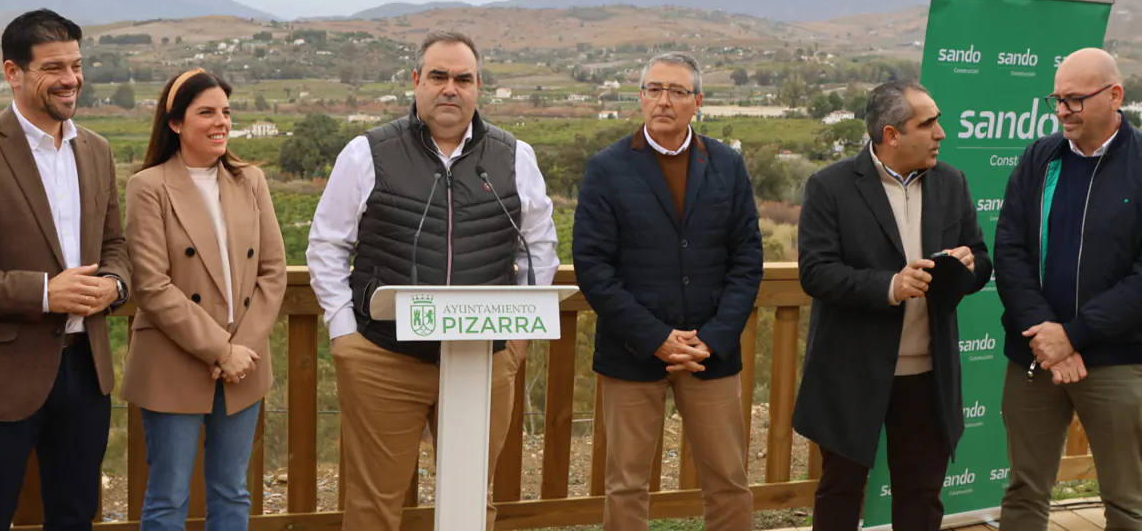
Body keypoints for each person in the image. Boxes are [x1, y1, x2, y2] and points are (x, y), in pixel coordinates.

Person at [306, 30, 560, 531]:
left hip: (482, 358)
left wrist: (519, 338)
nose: (451, 88)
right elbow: (327, 245)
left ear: (478, 87)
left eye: (463, 78)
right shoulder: (366, 153)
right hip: (384, 357)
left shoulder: (515, 157)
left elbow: (540, 246)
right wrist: (344, 334)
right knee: (374, 503)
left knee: (470, 500)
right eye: (439, 76)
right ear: (417, 82)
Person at [0, 9, 131, 530]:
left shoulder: (97, 151)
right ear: (13, 72)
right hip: (0, 376)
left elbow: (117, 245)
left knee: (74, 516)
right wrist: (46, 293)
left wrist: (114, 285)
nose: (70, 79)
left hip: (86, 373)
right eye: (53, 68)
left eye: (76, 64)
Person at [573, 52, 763, 531]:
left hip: (710, 355)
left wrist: (714, 338)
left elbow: (747, 260)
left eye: (677, 91)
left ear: (697, 102)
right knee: (626, 485)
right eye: (654, 89)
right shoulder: (606, 168)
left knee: (728, 480)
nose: (664, 100)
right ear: (640, 98)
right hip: (631, 353)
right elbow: (594, 268)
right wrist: (656, 337)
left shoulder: (727, 165)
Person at [793, 81, 991, 531]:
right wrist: (890, 286)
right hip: (851, 370)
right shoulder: (830, 186)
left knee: (921, 497)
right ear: (891, 134)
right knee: (841, 491)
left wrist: (968, 265)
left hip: (928, 375)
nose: (941, 132)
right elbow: (816, 273)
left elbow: (980, 258)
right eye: (929, 123)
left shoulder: (951, 182)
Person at [121, 69, 287, 530]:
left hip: (243, 364)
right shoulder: (148, 187)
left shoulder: (250, 180)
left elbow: (273, 273)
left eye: (226, 112)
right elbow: (152, 285)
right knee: (168, 497)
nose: (221, 122)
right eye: (207, 112)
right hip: (174, 360)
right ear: (175, 123)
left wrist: (242, 351)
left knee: (233, 492)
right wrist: (220, 349)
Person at [996, 48, 1142, 529]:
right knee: (1024, 490)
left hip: (1117, 359)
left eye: (1074, 100)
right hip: (1036, 355)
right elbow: (1010, 249)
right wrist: (1048, 337)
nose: (1061, 111)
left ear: (1114, 95)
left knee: (1128, 500)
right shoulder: (1041, 156)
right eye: (1057, 99)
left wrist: (1075, 335)